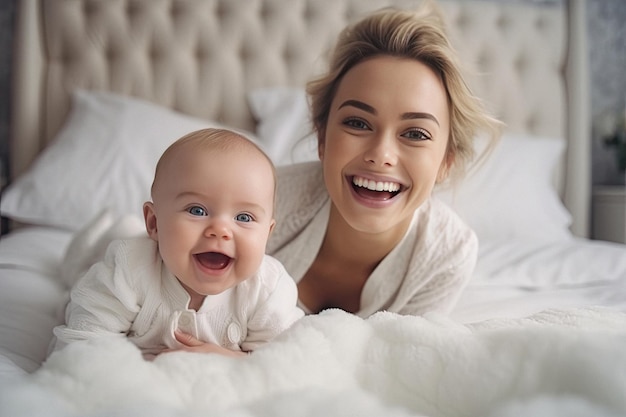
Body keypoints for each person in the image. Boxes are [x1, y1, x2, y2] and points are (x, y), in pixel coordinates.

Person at [263, 4, 501, 317]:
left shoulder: (448, 255)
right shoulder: (259, 203)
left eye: (415, 133)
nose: (381, 155)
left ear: (446, 161)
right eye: (358, 123)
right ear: (322, 138)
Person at [53, 128, 304, 358]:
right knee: (79, 279)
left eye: (244, 217)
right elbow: (79, 348)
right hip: (105, 266)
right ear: (154, 223)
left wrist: (233, 360)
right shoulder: (127, 270)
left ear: (267, 234)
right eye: (197, 210)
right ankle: (100, 237)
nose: (220, 230)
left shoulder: (268, 289)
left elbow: (285, 364)